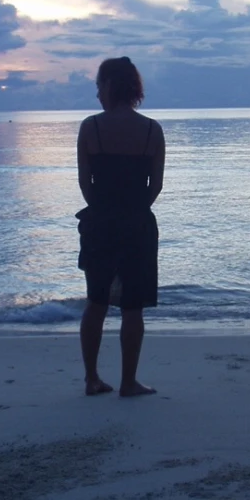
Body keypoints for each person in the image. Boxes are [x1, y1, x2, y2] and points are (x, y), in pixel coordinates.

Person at [76, 56, 165, 397]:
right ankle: (128, 381)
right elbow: (155, 186)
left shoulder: (91, 127)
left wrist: (103, 208)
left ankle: (92, 379)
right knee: (133, 306)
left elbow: (85, 183)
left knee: (96, 302)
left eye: (99, 85)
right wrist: (134, 209)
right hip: (138, 223)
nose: (97, 93)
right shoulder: (151, 130)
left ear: (110, 86)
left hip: (100, 222)